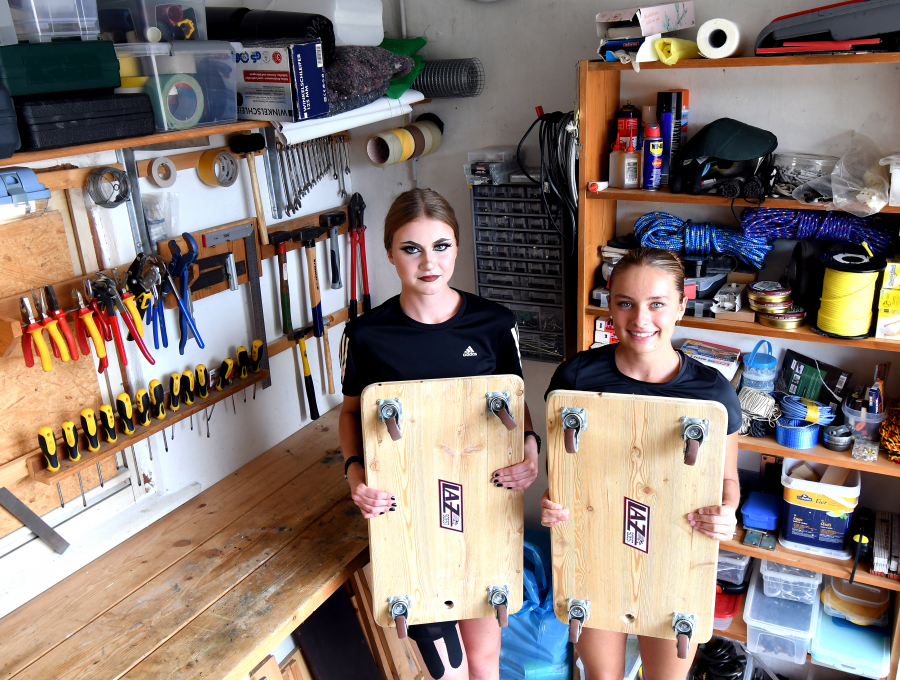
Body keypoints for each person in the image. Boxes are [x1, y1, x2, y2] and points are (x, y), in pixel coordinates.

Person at [339, 188, 541, 680]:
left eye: (442, 246)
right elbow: (350, 415)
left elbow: (516, 405)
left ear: (457, 248)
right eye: (412, 248)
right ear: (389, 253)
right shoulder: (366, 335)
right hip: (408, 515)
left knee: (485, 659)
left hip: (483, 506)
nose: (429, 263)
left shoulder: (494, 324)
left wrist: (530, 451)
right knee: (445, 670)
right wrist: (355, 475)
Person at [540, 247, 741, 680]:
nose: (640, 319)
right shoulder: (575, 380)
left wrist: (727, 512)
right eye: (625, 303)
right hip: (594, 554)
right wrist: (551, 502)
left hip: (675, 554)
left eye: (657, 304)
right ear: (609, 304)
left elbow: (726, 479)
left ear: (682, 306)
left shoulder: (713, 394)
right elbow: (562, 474)